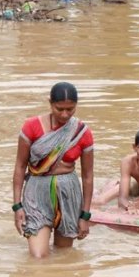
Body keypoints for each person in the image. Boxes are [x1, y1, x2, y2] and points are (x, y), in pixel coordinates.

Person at [12, 82, 94, 258]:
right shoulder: (31, 126)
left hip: (68, 194)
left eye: (70, 109)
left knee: (64, 255)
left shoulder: (82, 132)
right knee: (38, 257)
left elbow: (88, 176)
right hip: (36, 193)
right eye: (59, 109)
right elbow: (20, 166)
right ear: (50, 103)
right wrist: (17, 206)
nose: (65, 114)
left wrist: (85, 216)